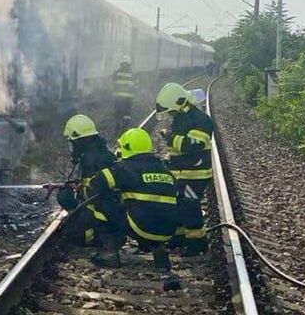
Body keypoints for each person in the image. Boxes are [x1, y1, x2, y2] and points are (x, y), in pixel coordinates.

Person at [89, 128, 181, 291]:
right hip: (167, 231)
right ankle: (159, 252)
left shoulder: (126, 168)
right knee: (148, 208)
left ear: (128, 147)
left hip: (141, 227)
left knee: (103, 203)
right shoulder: (166, 170)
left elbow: (97, 183)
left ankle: (110, 253)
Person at [155, 82, 213, 257]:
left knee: (189, 206)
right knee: (177, 204)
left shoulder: (200, 120)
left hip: (196, 173)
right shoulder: (181, 118)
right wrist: (168, 160)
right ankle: (179, 237)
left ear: (180, 103)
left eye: (171, 111)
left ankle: (197, 243)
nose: (171, 115)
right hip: (182, 172)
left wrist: (171, 139)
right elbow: (179, 148)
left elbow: (193, 145)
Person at [59, 114, 120, 247]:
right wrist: (77, 184)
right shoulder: (98, 153)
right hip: (109, 212)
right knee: (64, 194)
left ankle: (96, 238)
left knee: (69, 233)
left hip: (104, 214)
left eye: (72, 142)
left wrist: (77, 190)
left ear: (79, 141)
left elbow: (94, 193)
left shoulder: (91, 159)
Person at [111, 56, 135, 134]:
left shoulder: (117, 72)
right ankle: (124, 128)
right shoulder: (132, 74)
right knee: (127, 113)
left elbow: (113, 82)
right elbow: (135, 85)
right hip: (128, 98)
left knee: (117, 112)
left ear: (121, 63)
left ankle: (117, 128)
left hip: (118, 97)